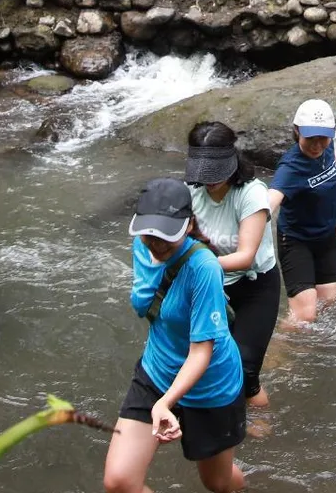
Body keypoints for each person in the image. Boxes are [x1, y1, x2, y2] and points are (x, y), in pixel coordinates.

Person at [104, 178, 247, 493]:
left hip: (211, 385)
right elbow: (144, 301)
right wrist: (161, 400)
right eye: (149, 235)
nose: (155, 244)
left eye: (165, 238)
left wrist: (166, 403)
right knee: (119, 482)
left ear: (189, 224)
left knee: (218, 483)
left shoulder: (204, 268)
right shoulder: (143, 246)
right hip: (157, 372)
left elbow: (201, 352)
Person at [184, 121, 280, 408]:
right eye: (203, 172)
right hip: (212, 286)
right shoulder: (192, 192)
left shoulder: (251, 193)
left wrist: (194, 266)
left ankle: (259, 413)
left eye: (215, 172)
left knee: (245, 369)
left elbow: (245, 256)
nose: (209, 180)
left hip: (254, 286)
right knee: (209, 365)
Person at [268, 98, 336, 324]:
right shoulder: (290, 168)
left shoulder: (327, 147)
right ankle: (276, 354)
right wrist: (251, 222)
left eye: (323, 137)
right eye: (310, 138)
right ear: (296, 130)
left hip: (326, 237)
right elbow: (270, 201)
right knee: (304, 317)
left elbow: (328, 168)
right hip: (296, 241)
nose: (317, 144)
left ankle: (307, 354)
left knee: (327, 304)